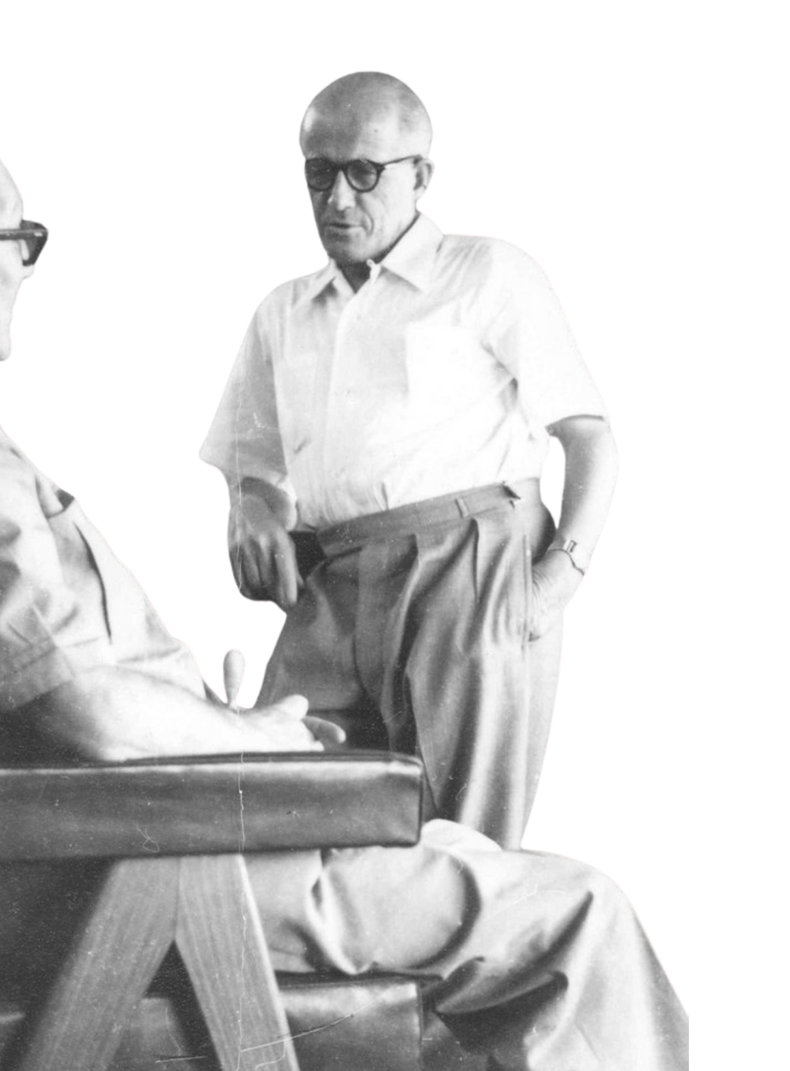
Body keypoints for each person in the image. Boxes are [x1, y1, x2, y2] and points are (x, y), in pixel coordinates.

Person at [0, 105, 688, 1071]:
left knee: (456, 856)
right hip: (116, 877)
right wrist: (252, 739)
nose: (29, 268)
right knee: (574, 914)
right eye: (23, 243)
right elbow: (88, 708)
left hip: (57, 865)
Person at [197, 69, 622, 848]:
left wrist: (558, 579)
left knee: (456, 846)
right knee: (278, 807)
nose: (337, 198)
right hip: (331, 579)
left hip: (466, 568)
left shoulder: (488, 270)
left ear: (422, 176)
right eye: (317, 172)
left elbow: (592, 440)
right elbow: (249, 461)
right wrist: (250, 508)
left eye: (364, 172)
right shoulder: (281, 309)